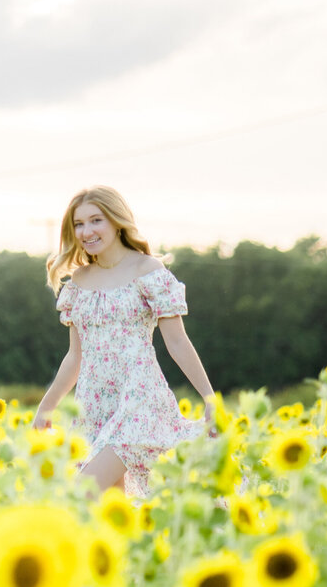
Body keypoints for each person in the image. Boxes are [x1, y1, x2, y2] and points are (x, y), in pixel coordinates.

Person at [33, 186, 214, 498]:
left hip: (139, 400)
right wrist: (46, 408)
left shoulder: (147, 271)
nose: (86, 231)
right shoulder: (79, 281)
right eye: (78, 224)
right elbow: (75, 357)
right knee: (109, 511)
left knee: (80, 495)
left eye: (95, 220)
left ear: (116, 221)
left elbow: (178, 342)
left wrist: (211, 399)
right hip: (94, 404)